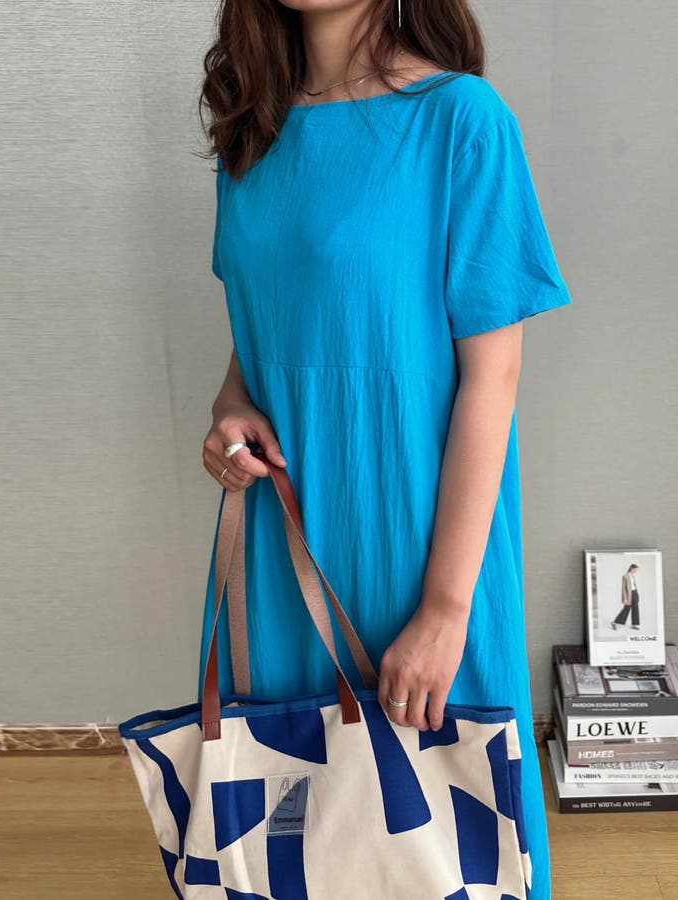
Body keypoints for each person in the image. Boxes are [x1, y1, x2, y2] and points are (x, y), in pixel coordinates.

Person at [197, 2, 573, 898]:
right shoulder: (252, 125)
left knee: (451, 838)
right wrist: (231, 405)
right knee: (295, 823)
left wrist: (445, 608)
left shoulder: (460, 120)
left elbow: (493, 380)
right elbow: (265, 324)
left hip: (414, 534)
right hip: (285, 530)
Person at [613, 563, 641, 629]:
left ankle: (634, 625)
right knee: (626, 609)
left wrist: (637, 595)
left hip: (634, 593)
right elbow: (623, 588)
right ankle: (615, 623)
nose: (635, 571)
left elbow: (634, 586)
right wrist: (625, 598)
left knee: (636, 608)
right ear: (631, 568)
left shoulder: (632, 576)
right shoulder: (625, 576)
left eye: (636, 570)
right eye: (635, 569)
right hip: (629, 594)